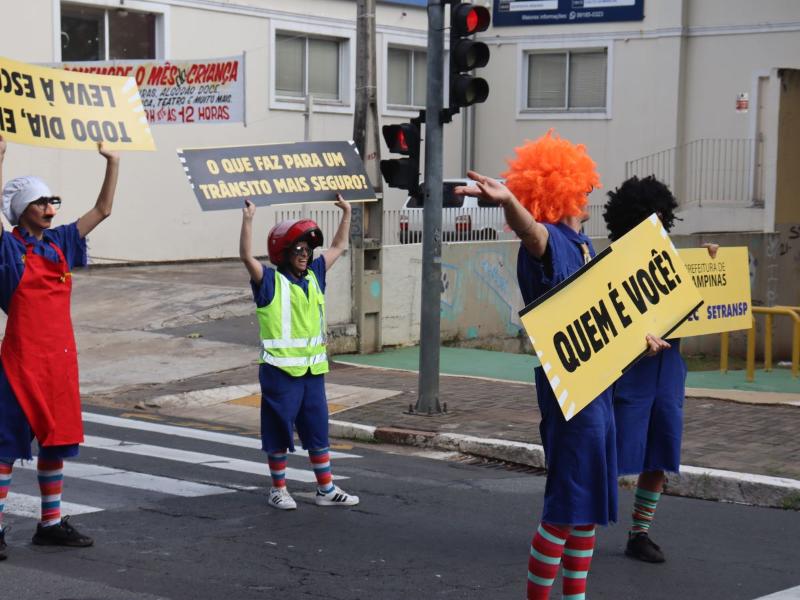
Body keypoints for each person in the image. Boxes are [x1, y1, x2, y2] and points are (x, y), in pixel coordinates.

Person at [456, 131, 669, 600]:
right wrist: (510, 202)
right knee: (564, 510)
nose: (591, 189)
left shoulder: (583, 244)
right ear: (562, 189)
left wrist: (641, 340)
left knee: (587, 508)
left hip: (598, 388)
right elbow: (532, 234)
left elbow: (602, 320)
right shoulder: (550, 238)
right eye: (584, 183)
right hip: (573, 392)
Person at [0, 134, 120, 559]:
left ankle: (49, 524)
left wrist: (113, 161)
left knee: (55, 442)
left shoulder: (61, 243)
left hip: (60, 361)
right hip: (21, 362)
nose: (51, 209)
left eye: (53, 202)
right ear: (21, 211)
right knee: (4, 446)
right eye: (41, 203)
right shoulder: (8, 247)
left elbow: (103, 210)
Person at [603, 175, 717, 563]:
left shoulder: (673, 259)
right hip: (628, 373)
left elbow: (705, 301)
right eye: (649, 218)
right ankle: (573, 522)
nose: (657, 224)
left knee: (659, 454)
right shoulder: (610, 265)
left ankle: (639, 534)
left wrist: (712, 262)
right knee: (606, 454)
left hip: (668, 371)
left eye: (661, 217)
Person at [239, 194, 359, 510]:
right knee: (279, 431)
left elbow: (339, 248)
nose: (305, 255)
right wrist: (248, 219)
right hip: (280, 373)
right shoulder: (269, 281)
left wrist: (347, 213)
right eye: (298, 250)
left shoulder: (315, 275)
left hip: (312, 373)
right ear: (285, 253)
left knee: (317, 429)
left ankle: (326, 489)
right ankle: (278, 489)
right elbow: (245, 257)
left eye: (308, 250)